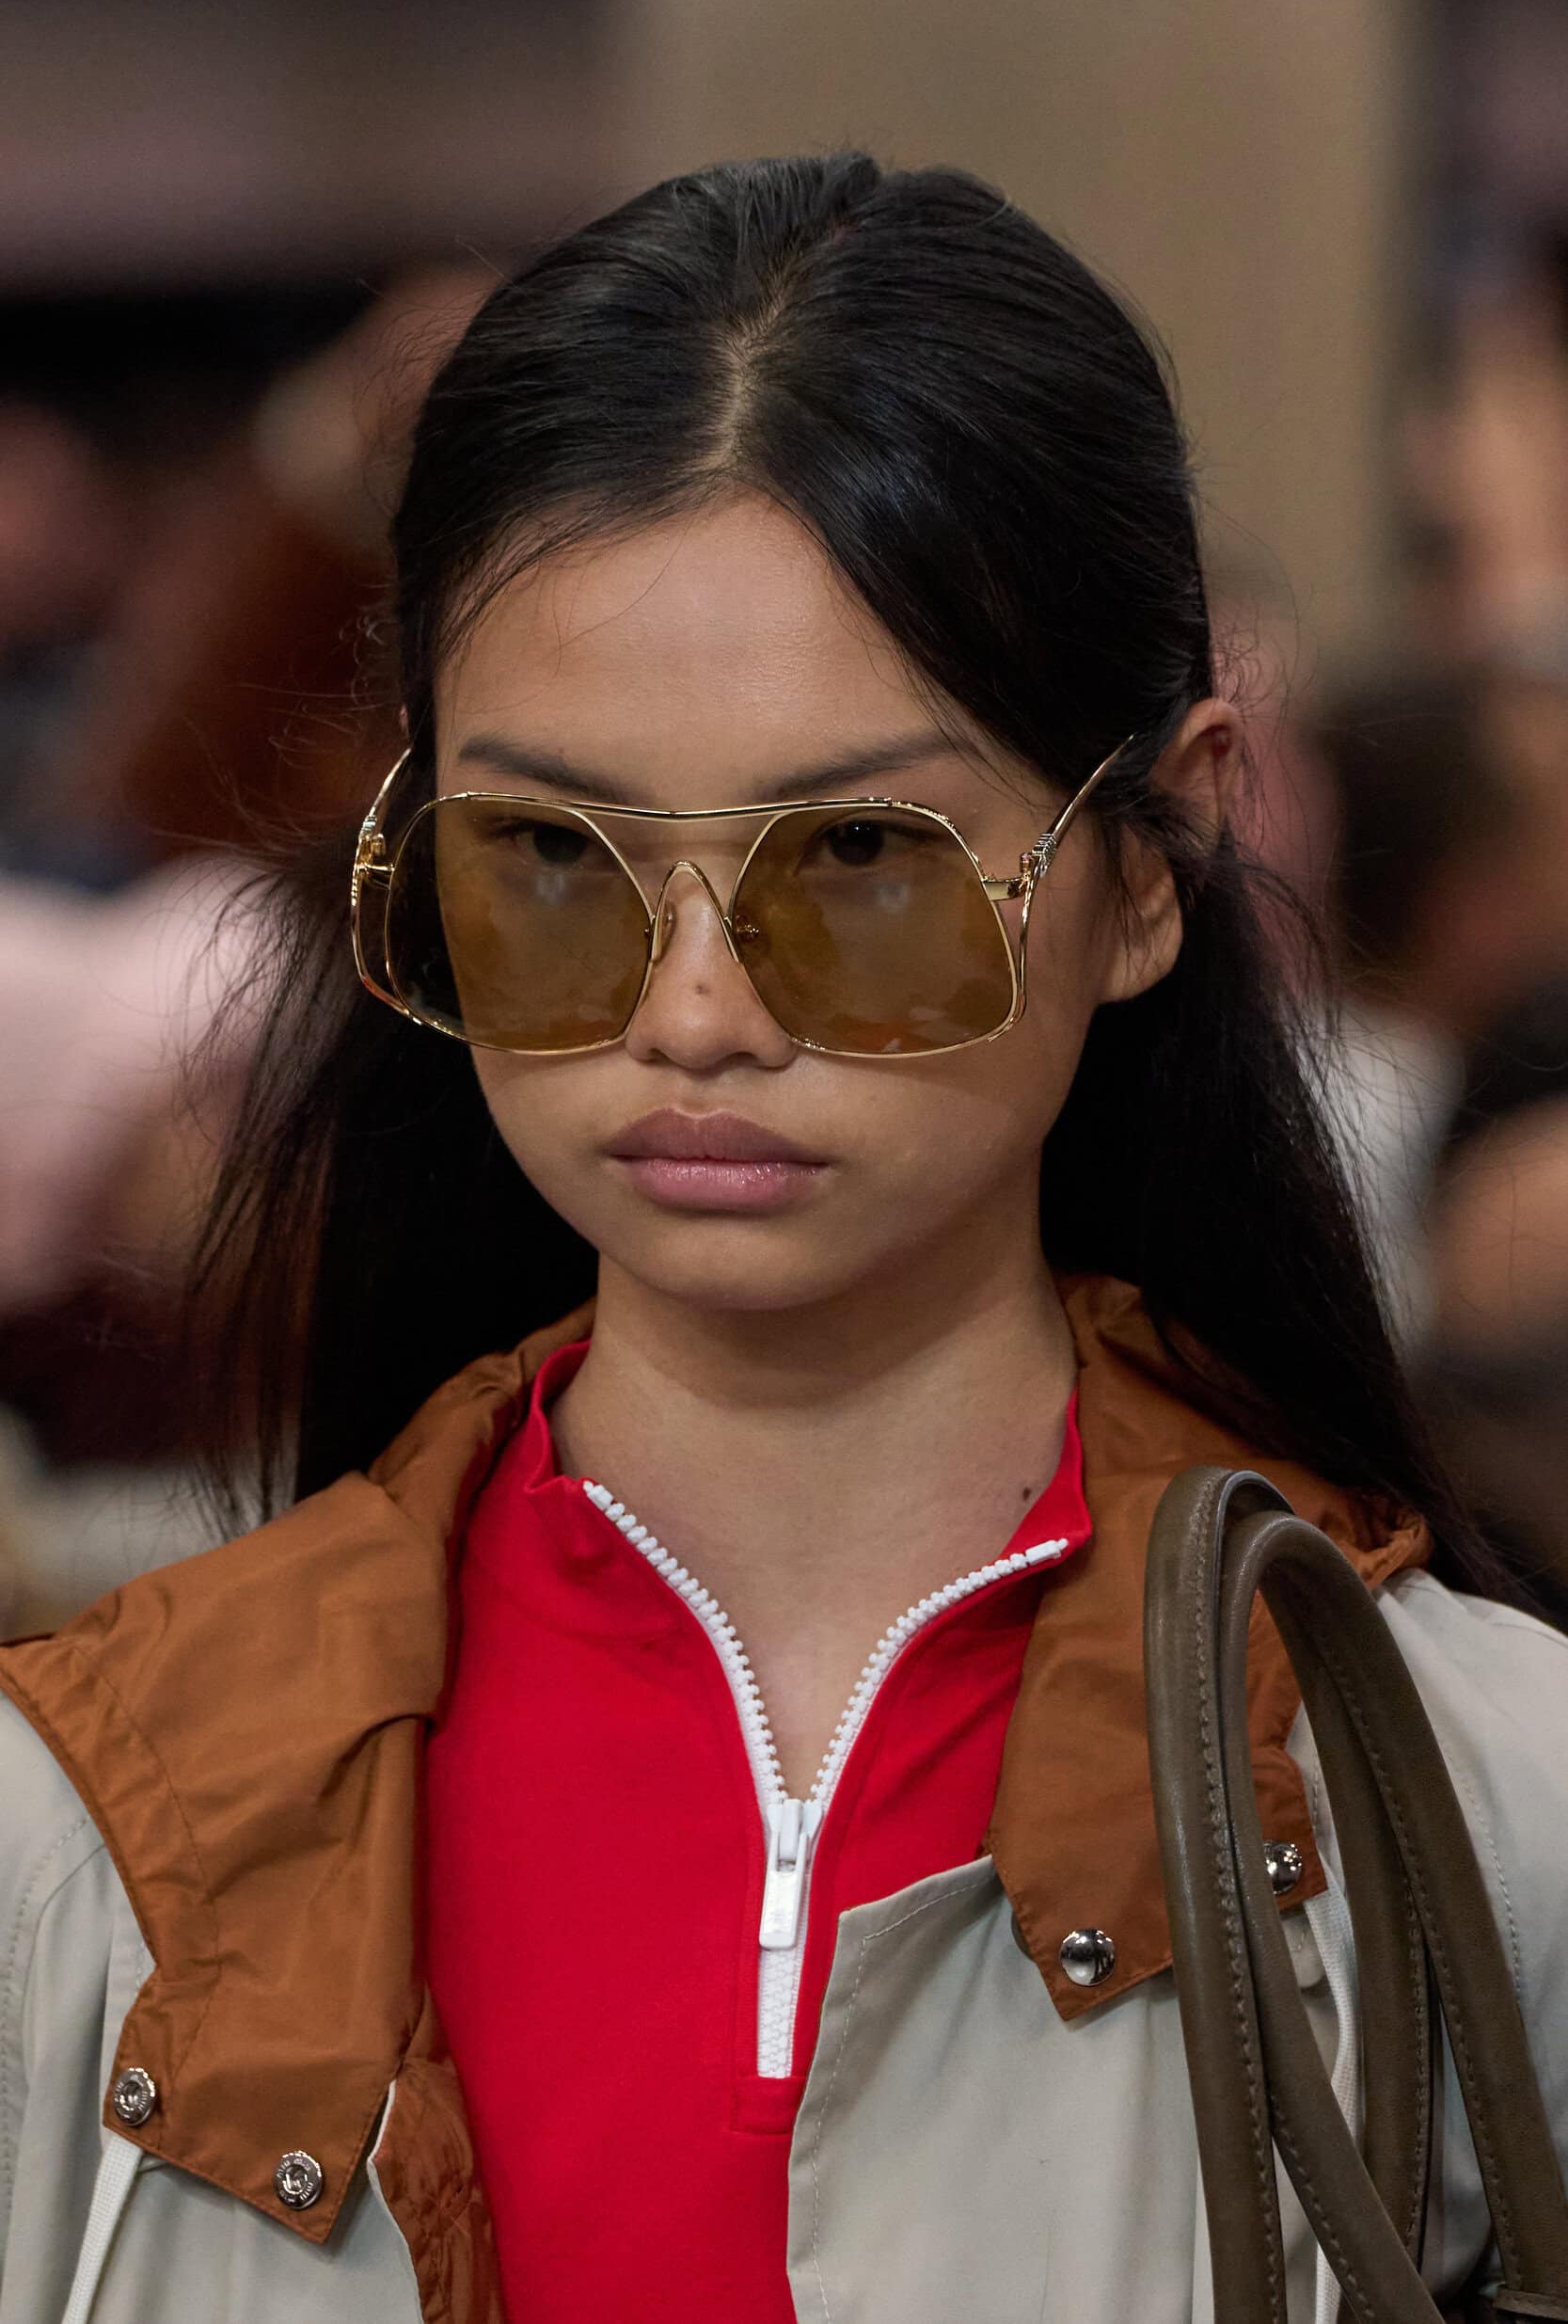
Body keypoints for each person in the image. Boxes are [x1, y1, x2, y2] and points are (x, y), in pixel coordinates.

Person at [3, 152, 1566, 2324]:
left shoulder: (1477, 1803)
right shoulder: (103, 1814)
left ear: (1152, 854)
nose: (693, 1009)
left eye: (857, 856)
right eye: (551, 857)